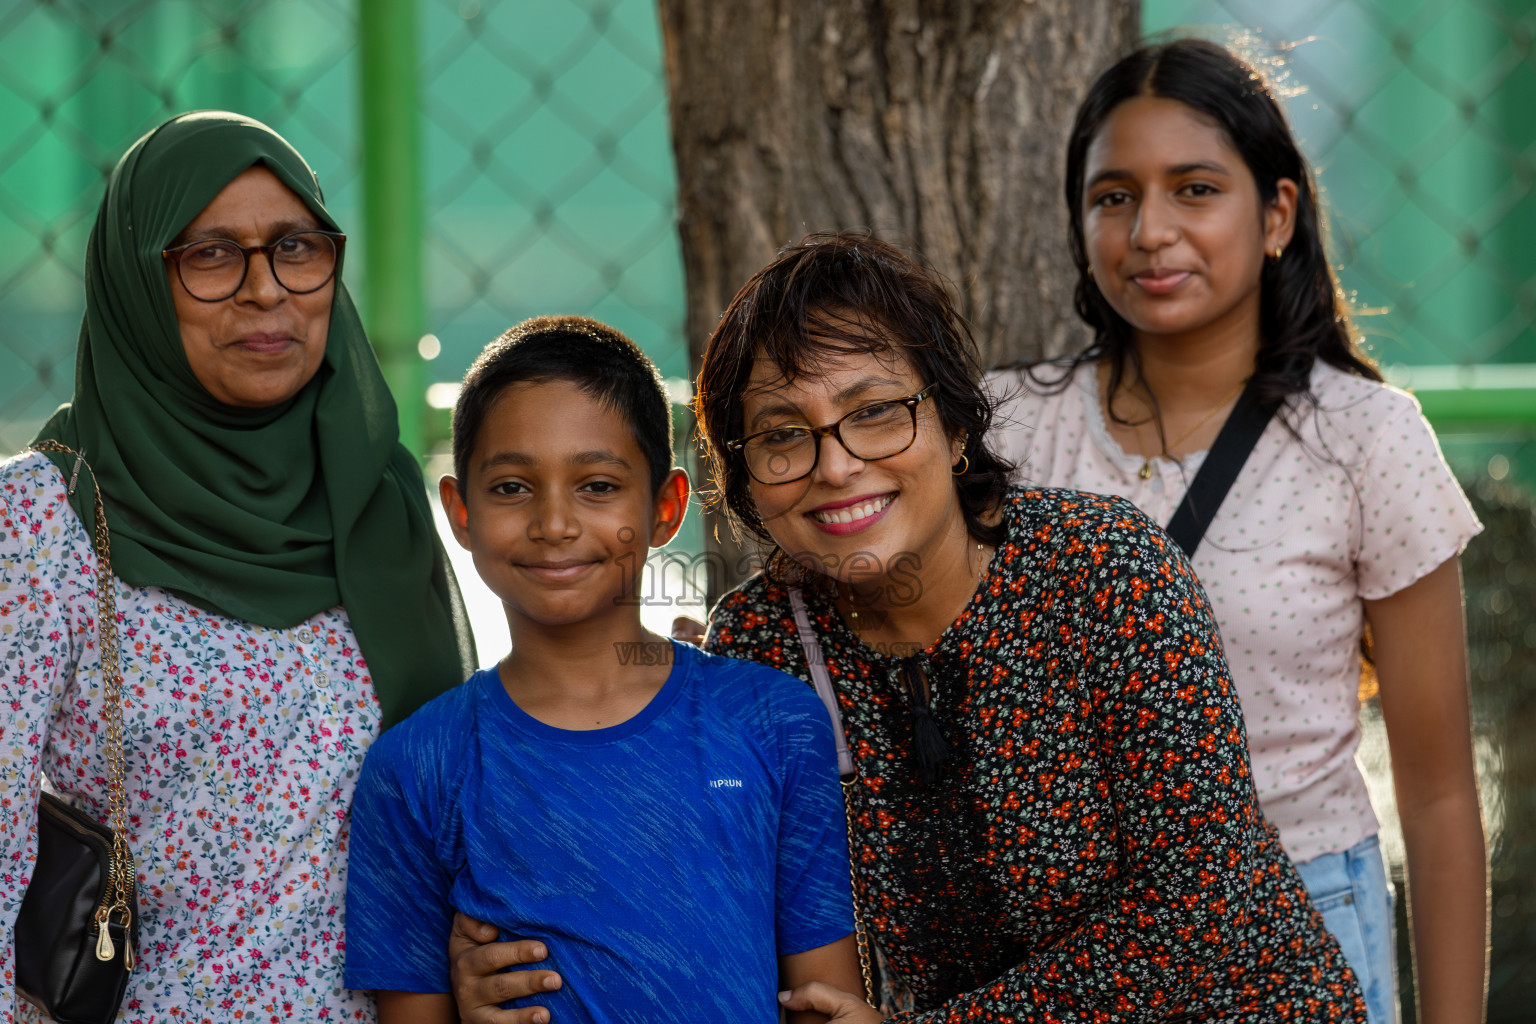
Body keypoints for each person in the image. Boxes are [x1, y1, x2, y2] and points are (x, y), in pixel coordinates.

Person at [989, 39, 1486, 1024]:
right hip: (1065, 951)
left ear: (1277, 215)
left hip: (1301, 920)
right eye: (1114, 196)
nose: (1151, 231)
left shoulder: (1365, 442)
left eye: (1196, 188)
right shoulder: (1007, 431)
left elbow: (1437, 798)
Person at [0, 112, 475, 1021]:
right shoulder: (40, 522)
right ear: (141, 280)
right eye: (212, 255)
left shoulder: (378, 501)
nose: (267, 292)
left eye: (296, 248)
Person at [342, 316, 861, 1024]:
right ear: (459, 513)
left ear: (665, 508)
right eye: (511, 488)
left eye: (596, 486)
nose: (554, 523)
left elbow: (825, 1001)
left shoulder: (773, 724)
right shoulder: (416, 768)